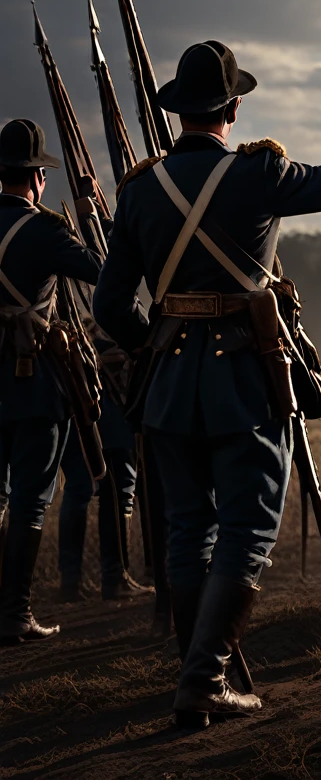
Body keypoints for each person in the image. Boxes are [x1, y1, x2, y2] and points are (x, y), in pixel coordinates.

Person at [93, 40, 321, 728]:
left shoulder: (139, 190)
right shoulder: (260, 172)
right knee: (250, 526)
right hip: (245, 382)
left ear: (178, 114)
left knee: (187, 530)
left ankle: (194, 677)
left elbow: (111, 307)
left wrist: (156, 348)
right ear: (233, 107)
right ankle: (204, 681)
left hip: (168, 383)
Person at [0, 119, 102, 644]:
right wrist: (90, 217)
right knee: (31, 500)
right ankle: (14, 613)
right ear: (38, 178)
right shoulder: (44, 229)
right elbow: (100, 270)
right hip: (33, 381)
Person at [58, 327, 151, 602]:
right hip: (103, 395)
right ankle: (114, 577)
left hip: (70, 391)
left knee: (79, 487)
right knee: (119, 486)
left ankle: (70, 582)